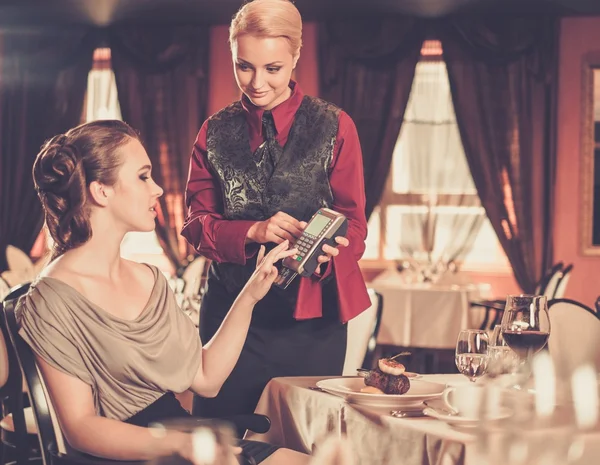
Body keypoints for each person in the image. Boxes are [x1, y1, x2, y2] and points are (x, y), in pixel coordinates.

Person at [16, 120, 309, 465]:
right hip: (136, 454)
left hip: (187, 442)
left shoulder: (149, 279)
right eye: (143, 176)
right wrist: (175, 444)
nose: (157, 189)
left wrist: (250, 293)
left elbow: (206, 378)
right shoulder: (50, 299)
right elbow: (80, 427)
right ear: (101, 191)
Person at [181, 0, 371, 421]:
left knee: (303, 442)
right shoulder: (213, 132)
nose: (256, 82)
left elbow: (354, 223)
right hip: (230, 316)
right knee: (220, 438)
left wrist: (325, 256)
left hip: (311, 322)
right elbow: (196, 225)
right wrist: (252, 231)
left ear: (295, 58)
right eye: (243, 66)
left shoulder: (337, 126)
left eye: (272, 68)